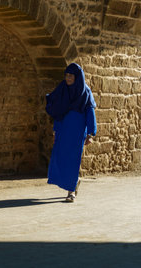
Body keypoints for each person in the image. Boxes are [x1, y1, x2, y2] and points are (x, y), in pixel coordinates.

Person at [45, 63, 97, 202]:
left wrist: (91, 133)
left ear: (77, 77)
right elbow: (56, 111)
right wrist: (56, 130)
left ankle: (71, 191)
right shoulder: (62, 89)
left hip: (77, 131)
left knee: (73, 159)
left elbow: (90, 113)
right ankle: (75, 181)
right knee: (61, 158)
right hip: (63, 129)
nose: (68, 78)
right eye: (66, 75)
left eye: (71, 76)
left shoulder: (85, 92)